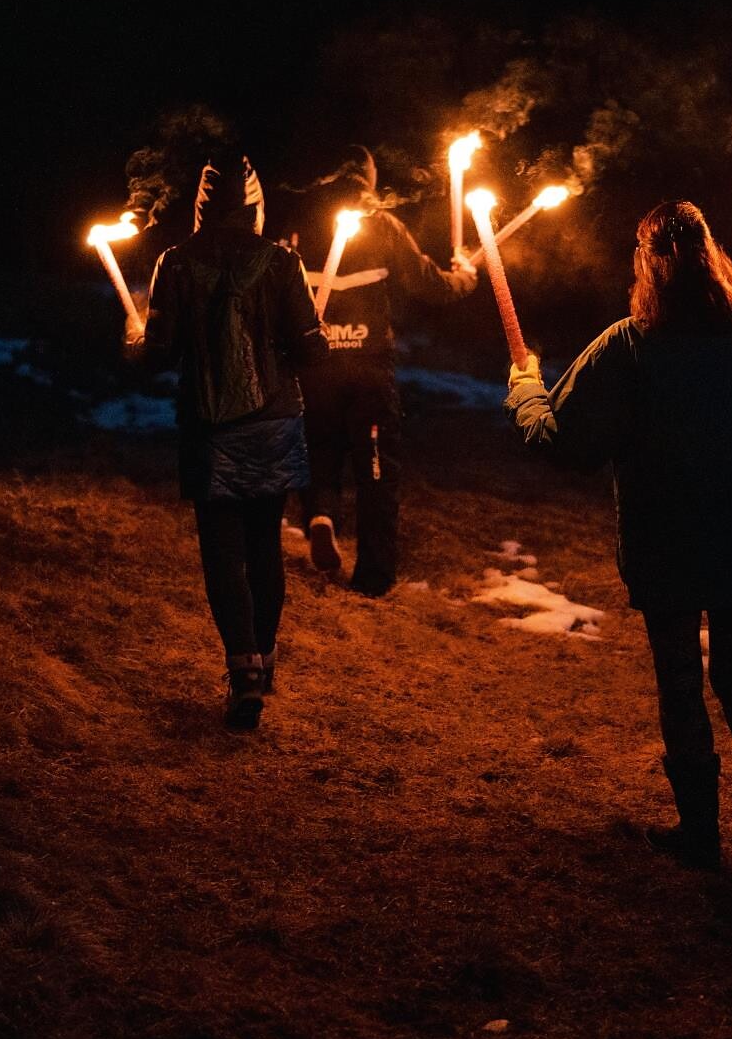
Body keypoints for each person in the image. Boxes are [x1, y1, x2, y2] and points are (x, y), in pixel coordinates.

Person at [504, 200, 732, 874]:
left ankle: (702, 832)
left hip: (667, 543)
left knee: (681, 679)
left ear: (647, 265)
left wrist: (524, 387)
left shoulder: (631, 345)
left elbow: (566, 441)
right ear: (712, 257)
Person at [130, 158, 327, 729]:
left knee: (222, 554)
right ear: (255, 206)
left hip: (208, 426)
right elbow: (311, 352)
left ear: (202, 207)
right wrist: (309, 334)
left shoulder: (176, 262)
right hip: (273, 422)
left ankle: (244, 676)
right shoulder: (283, 262)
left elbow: (160, 354)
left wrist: (136, 339)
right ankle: (262, 663)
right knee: (264, 545)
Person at [299, 145, 477, 596]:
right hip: (369, 371)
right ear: (370, 178)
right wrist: (464, 277)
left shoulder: (300, 221)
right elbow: (428, 284)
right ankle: (373, 575)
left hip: (317, 366)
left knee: (319, 447)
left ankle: (320, 515)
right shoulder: (381, 222)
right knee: (375, 466)